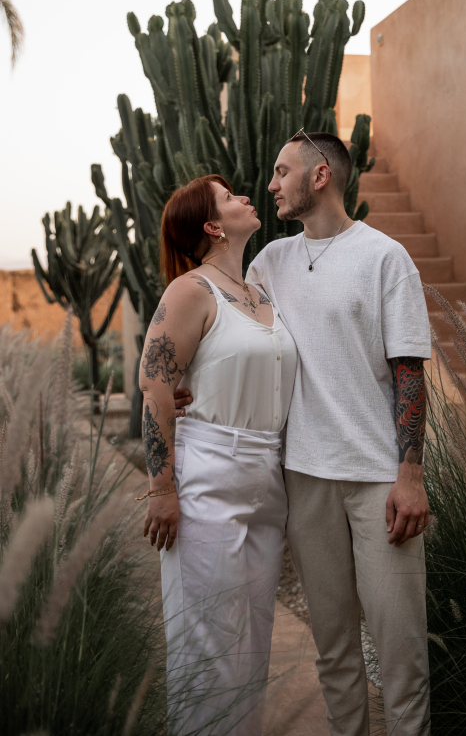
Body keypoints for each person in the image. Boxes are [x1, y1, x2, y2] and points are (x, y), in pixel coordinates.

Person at [176, 131, 432, 736]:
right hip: (302, 480)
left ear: (320, 177)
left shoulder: (386, 257)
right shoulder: (268, 263)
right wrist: (187, 384)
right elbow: (234, 337)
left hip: (378, 481)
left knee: (401, 654)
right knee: (334, 651)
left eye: (281, 172)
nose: (270, 185)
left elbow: (410, 373)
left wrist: (411, 476)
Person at [137, 173, 297, 736]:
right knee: (207, 648)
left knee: (252, 645)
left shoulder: (260, 292)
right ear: (212, 226)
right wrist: (161, 489)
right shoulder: (190, 291)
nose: (246, 197)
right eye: (230, 198)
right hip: (207, 472)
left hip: (267, 477)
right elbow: (154, 386)